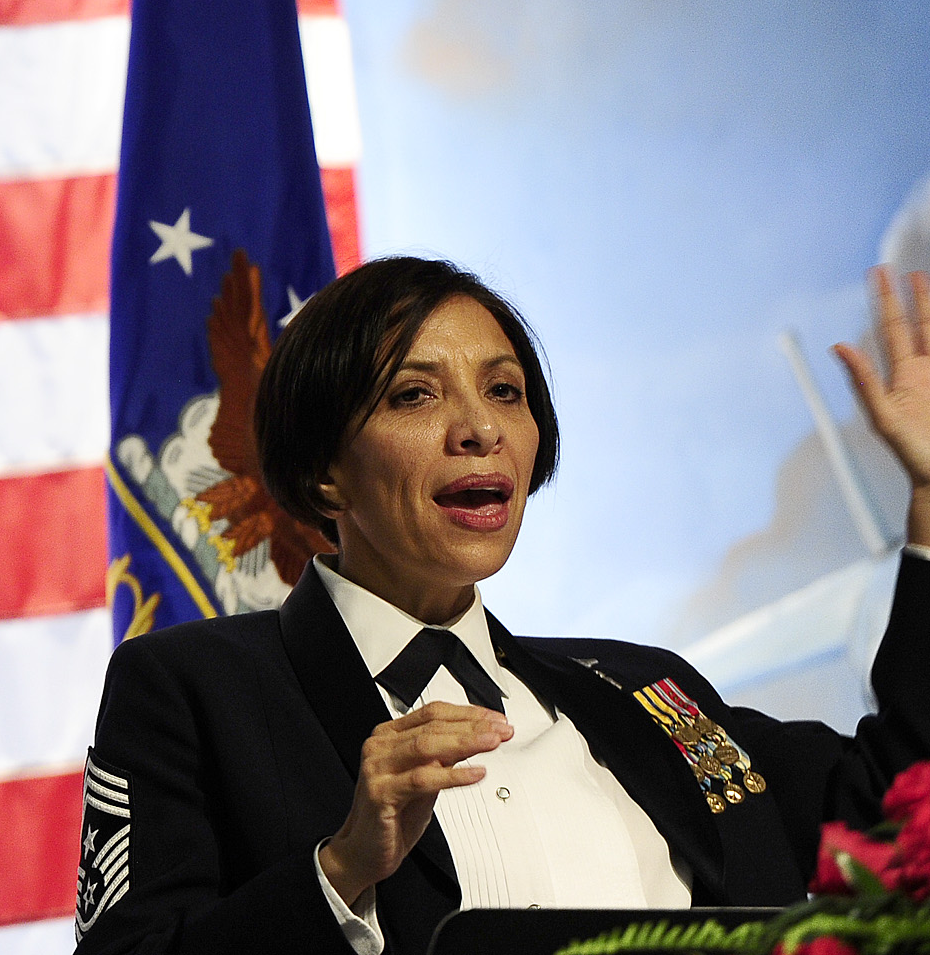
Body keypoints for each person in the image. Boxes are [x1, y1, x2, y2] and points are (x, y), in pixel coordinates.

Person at [73, 255, 930, 955]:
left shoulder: (644, 689)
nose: (479, 429)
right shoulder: (194, 689)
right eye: (414, 394)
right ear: (324, 471)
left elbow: (894, 810)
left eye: (505, 391)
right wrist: (341, 870)